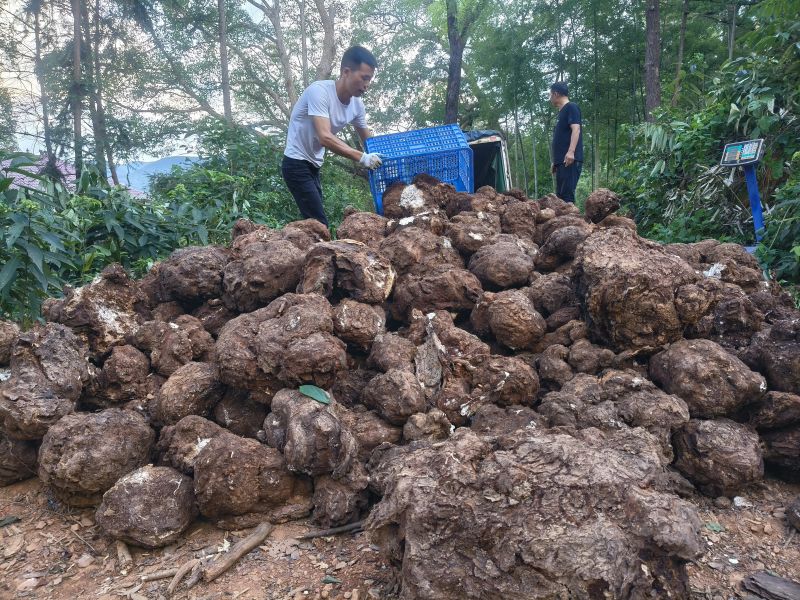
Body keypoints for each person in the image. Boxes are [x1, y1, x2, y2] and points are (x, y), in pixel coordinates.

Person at [282, 45, 383, 227]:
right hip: (295, 162)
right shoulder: (319, 92)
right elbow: (325, 137)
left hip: (314, 164)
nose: (367, 85)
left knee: (313, 222)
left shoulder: (357, 106)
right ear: (346, 71)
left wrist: (385, 155)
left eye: (370, 80)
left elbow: (368, 140)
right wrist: (362, 157)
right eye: (364, 78)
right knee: (319, 224)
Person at [549, 82, 583, 203]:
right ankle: (565, 221)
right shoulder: (561, 112)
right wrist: (556, 161)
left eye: (550, 95)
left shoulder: (571, 107)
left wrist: (571, 152)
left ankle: (572, 221)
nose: (550, 98)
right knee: (561, 197)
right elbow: (562, 138)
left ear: (556, 94)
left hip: (570, 160)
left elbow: (576, 129)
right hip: (562, 161)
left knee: (567, 196)